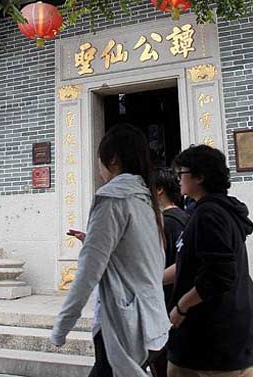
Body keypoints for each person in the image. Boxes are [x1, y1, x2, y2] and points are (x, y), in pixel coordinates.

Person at [50, 123, 172, 377]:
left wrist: (61, 326)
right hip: (154, 321)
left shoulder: (112, 197)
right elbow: (144, 257)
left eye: (100, 160)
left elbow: (87, 273)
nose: (99, 167)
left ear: (112, 159)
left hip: (124, 325)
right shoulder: (146, 197)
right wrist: (95, 242)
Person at [163, 144, 253, 377]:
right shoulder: (212, 211)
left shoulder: (210, 214)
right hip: (221, 342)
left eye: (182, 173)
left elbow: (219, 274)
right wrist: (151, 280)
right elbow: (191, 262)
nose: (178, 179)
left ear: (200, 176)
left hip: (212, 344)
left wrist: (180, 308)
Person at [152, 166, 190, 377]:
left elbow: (175, 265)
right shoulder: (186, 218)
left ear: (158, 190)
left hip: (166, 307)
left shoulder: (166, 223)